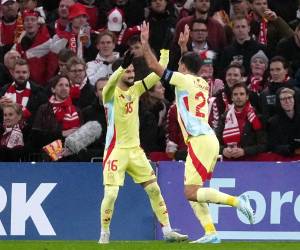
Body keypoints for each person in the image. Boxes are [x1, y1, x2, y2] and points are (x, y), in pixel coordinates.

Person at [140, 22, 254, 243]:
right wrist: (184, 49)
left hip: (200, 140)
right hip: (206, 139)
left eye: (180, 64)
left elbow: (154, 65)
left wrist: (145, 44)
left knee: (190, 192)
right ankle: (210, 232)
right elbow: (188, 67)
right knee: (194, 190)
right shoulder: (202, 82)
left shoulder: (183, 79)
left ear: (182, 66)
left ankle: (238, 202)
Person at [99, 49, 188, 243]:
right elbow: (110, 84)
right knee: (112, 194)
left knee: (154, 189)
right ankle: (104, 233)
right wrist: (120, 66)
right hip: (115, 151)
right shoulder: (110, 94)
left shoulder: (136, 88)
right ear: (118, 73)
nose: (131, 75)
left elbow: (156, 74)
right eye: (127, 71)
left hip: (135, 151)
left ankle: (168, 231)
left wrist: (164, 53)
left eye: (132, 71)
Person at [216, 83, 266, 160]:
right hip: (228, 162)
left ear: (247, 97)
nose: (238, 97)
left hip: (250, 162)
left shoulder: (256, 117)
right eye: (235, 94)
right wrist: (223, 150)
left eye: (241, 94)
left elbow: (264, 145)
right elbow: (215, 142)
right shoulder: (224, 117)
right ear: (232, 98)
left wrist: (244, 151)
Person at [267, 87, 300, 159]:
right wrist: (292, 149)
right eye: (283, 99)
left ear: (294, 99)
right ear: (279, 102)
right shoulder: (273, 122)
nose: (287, 101)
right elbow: (272, 146)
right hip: (283, 160)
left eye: (289, 97)